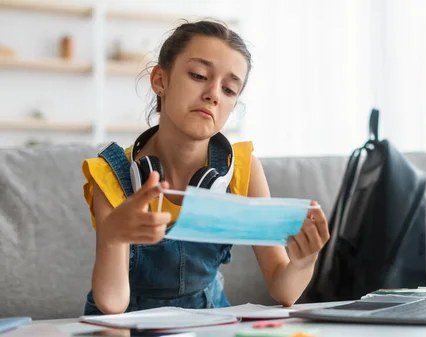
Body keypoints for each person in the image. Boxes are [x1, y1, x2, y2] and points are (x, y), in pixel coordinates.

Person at [81, 20, 330, 315]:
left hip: (207, 319)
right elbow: (112, 304)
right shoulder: (110, 173)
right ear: (161, 80)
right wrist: (113, 237)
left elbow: (283, 289)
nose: (213, 94)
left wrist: (304, 261)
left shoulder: (243, 169)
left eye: (228, 89)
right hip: (126, 322)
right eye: (199, 75)